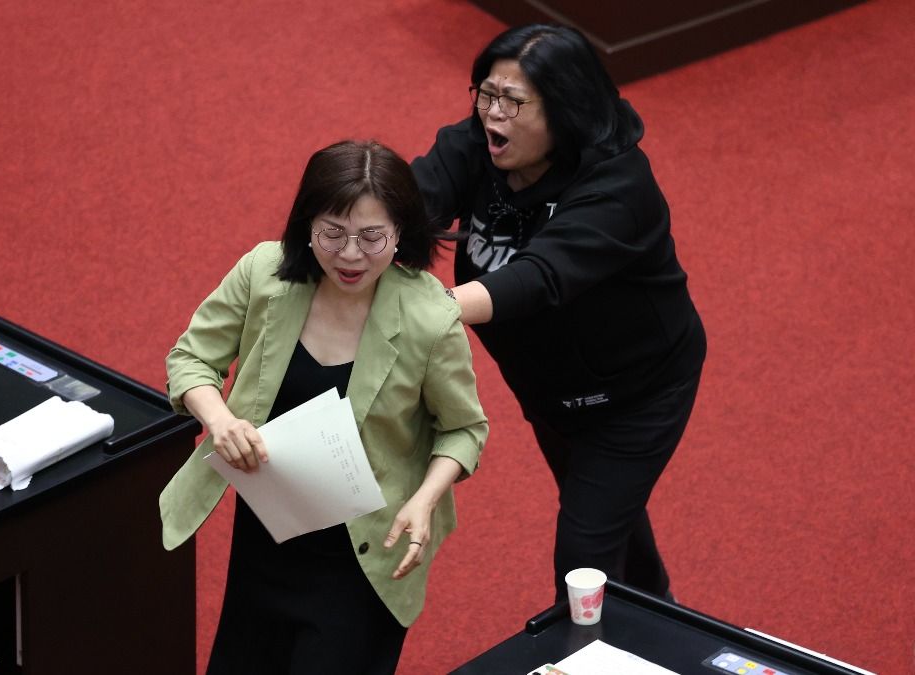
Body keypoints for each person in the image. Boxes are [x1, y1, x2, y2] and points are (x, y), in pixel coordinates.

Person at [159, 139, 488, 674]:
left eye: (372, 236)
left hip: (363, 555)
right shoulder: (264, 273)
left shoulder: (430, 318)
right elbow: (191, 357)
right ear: (306, 224)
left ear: (400, 232)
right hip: (267, 534)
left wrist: (426, 499)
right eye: (332, 233)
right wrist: (219, 420)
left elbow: (464, 430)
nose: (350, 254)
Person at [411, 23, 706, 602]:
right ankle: (664, 619)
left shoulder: (619, 187)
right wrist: (350, 239)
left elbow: (538, 277)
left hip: (636, 397)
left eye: (513, 101)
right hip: (549, 389)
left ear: (567, 109)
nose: (493, 114)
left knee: (583, 562)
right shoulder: (478, 144)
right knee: (604, 514)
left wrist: (428, 310)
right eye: (485, 94)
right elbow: (408, 203)